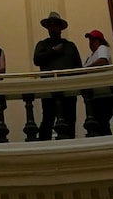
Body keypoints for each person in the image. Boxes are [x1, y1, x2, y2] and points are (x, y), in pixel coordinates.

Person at [31, 11, 81, 140]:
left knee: (70, 119)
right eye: (50, 26)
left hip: (69, 89)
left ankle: (70, 146)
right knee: (48, 119)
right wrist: (53, 52)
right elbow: (37, 59)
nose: (53, 28)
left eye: (55, 25)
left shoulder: (70, 46)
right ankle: (43, 147)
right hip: (49, 89)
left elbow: (78, 68)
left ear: (60, 27)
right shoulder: (42, 45)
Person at [79, 28, 113, 136]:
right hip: (95, 97)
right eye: (90, 40)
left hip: (105, 96)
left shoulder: (102, 49)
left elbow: (103, 61)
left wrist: (87, 69)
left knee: (102, 123)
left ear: (100, 41)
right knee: (99, 125)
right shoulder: (90, 57)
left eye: (93, 40)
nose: (91, 43)